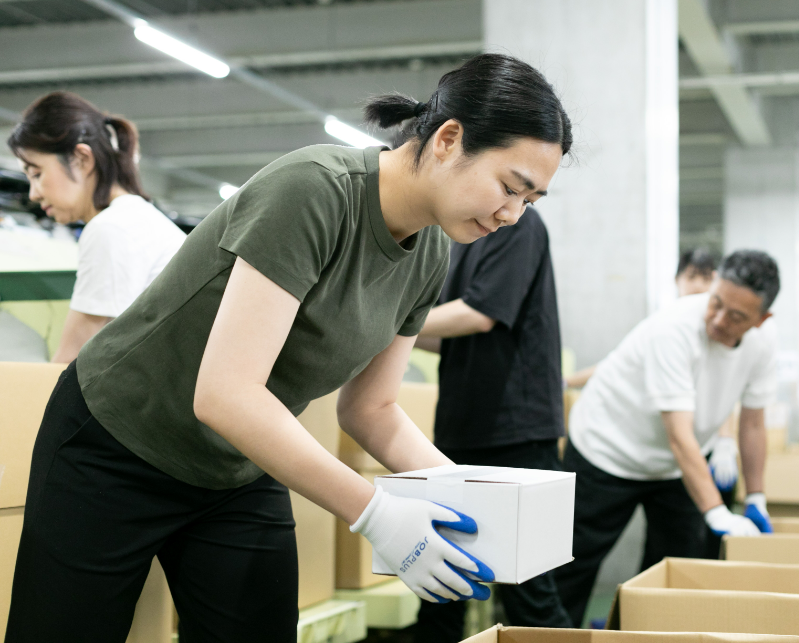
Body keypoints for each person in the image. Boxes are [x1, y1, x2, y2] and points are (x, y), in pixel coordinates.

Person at [6, 54, 573, 643]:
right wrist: (379, 514)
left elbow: (371, 409)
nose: (511, 215)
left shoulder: (429, 255)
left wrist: (468, 496)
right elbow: (225, 395)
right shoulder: (314, 191)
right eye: (510, 188)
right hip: (118, 443)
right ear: (449, 139)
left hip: (234, 469)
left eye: (529, 203)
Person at [554, 250, 780, 627]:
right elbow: (678, 434)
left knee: (676, 570)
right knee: (573, 566)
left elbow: (753, 424)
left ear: (762, 319)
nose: (719, 320)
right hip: (607, 451)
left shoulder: (765, 343)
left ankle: (637, 636)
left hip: (676, 466)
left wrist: (756, 496)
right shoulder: (674, 329)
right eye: (716, 304)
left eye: (737, 316)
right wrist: (715, 510)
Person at [413, 205, 572, 641]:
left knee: (529, 594)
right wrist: (383, 332)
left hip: (518, 431)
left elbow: (481, 312)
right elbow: (432, 333)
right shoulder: (458, 241)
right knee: (440, 587)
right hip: (459, 431)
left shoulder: (518, 225)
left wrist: (386, 320)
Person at [8, 91, 186, 362]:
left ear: (81, 158)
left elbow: (69, 363)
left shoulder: (110, 229)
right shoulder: (138, 218)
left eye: (36, 173)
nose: (33, 193)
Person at [566, 247, 718, 389]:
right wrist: (565, 382)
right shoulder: (663, 324)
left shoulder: (719, 331)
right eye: (691, 277)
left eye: (705, 279)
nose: (698, 286)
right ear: (676, 280)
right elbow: (617, 364)